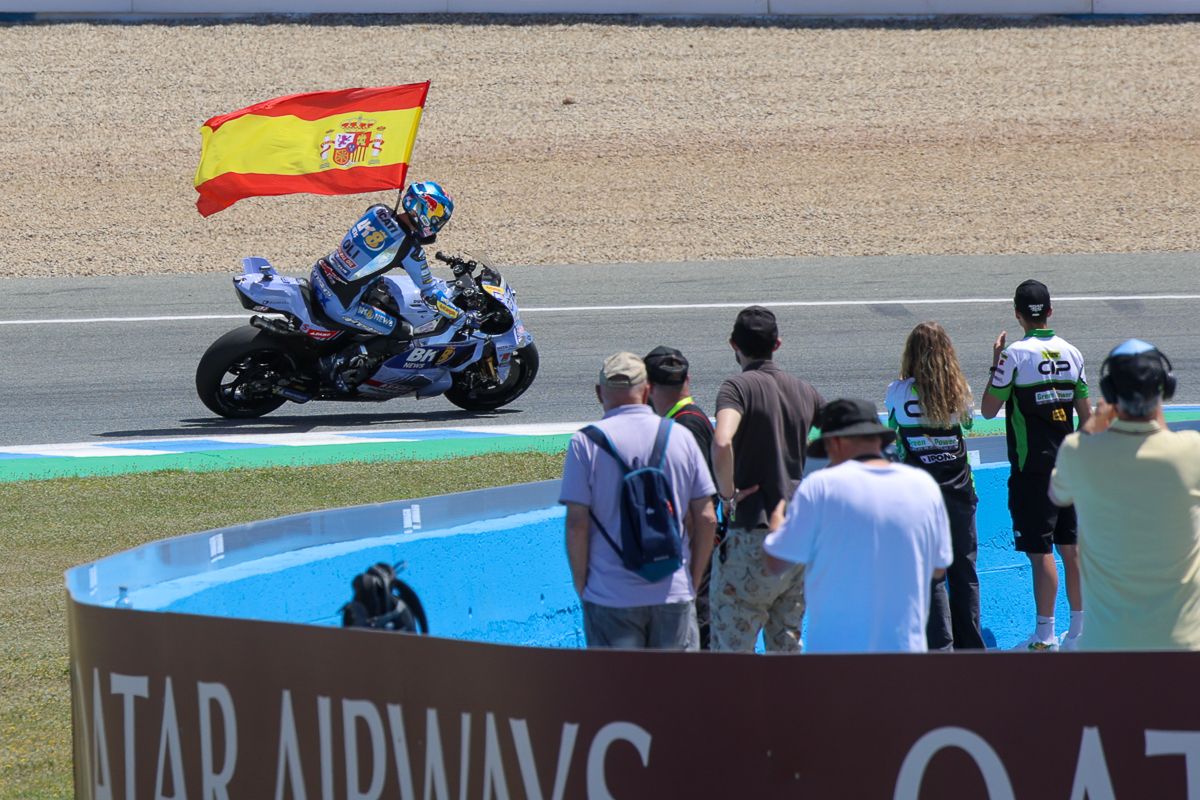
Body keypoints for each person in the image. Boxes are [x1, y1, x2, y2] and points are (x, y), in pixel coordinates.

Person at [763, 399, 953, 653]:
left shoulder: (820, 487)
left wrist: (777, 521)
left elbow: (776, 562)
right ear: (877, 439)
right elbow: (938, 569)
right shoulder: (924, 486)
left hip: (836, 659)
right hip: (906, 657)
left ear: (835, 442)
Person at [560, 352, 718, 650]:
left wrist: (584, 587)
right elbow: (707, 517)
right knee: (676, 693)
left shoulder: (585, 443)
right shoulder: (680, 436)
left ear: (598, 393)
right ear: (647, 391)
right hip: (674, 590)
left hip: (610, 594)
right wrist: (692, 581)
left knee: (619, 694)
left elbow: (577, 523)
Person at [1050, 340, 1200, 650]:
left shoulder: (1078, 453)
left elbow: (1058, 493)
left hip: (1107, 647)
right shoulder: (1191, 451)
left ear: (1108, 393)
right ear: (1166, 388)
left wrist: (1092, 426)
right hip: (1184, 648)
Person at [981, 279, 1091, 651]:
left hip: (1033, 470)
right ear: (1050, 311)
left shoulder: (1014, 355)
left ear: (1016, 314)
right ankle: (1078, 632)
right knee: (1071, 547)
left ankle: (1045, 635)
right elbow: (1087, 418)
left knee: (1040, 551)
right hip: (1070, 465)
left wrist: (996, 363)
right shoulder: (1073, 353)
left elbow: (988, 410)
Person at [710, 306, 823, 653]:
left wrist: (727, 494)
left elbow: (722, 440)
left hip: (751, 535)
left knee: (731, 651)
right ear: (777, 344)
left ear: (734, 345)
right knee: (787, 647)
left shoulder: (736, 388)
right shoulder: (805, 391)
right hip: (796, 540)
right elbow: (840, 441)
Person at [308, 181, 477, 391]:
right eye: (438, 212)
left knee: (382, 294)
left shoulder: (378, 210)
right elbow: (430, 294)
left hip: (321, 273)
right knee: (403, 332)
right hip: (339, 303)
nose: (439, 220)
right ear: (423, 209)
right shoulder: (409, 249)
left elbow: (379, 244)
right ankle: (334, 365)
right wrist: (460, 315)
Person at [886, 321, 986, 651]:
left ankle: (941, 648)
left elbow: (893, 428)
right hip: (959, 491)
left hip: (919, 495)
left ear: (910, 354)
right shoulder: (959, 393)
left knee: (932, 574)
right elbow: (969, 423)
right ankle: (971, 647)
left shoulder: (897, 392)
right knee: (965, 570)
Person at [644, 345, 720, 649]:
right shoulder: (686, 419)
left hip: (694, 550)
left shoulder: (685, 425)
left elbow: (699, 500)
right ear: (687, 378)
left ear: (647, 387)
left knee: (701, 625)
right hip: (692, 548)